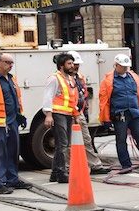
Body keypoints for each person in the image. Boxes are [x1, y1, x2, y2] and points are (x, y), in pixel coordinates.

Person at [99, 53, 139, 174]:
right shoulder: (108, 80)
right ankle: (126, 165)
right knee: (121, 140)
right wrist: (106, 118)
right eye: (122, 66)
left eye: (126, 66)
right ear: (116, 65)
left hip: (135, 113)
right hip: (119, 114)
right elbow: (104, 100)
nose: (125, 68)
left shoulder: (133, 77)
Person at [0, 52, 30, 194]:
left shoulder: (11, 79)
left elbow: (15, 99)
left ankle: (12, 179)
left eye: (12, 63)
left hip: (12, 121)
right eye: (7, 62)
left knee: (13, 152)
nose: (10, 65)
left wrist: (20, 115)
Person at [68, 51, 109, 175]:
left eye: (77, 65)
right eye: (74, 64)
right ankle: (69, 167)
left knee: (86, 139)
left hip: (78, 113)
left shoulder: (79, 77)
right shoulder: (62, 78)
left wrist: (84, 110)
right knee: (68, 143)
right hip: (68, 113)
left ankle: (95, 165)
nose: (76, 67)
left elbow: (83, 94)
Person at [42, 51, 79, 182]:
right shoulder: (54, 78)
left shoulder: (70, 79)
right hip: (58, 114)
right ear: (61, 66)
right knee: (62, 144)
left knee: (62, 144)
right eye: (69, 63)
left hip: (67, 114)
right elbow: (48, 97)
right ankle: (62, 173)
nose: (72, 65)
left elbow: (72, 98)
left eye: (72, 63)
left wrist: (75, 114)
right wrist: (48, 115)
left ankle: (55, 173)